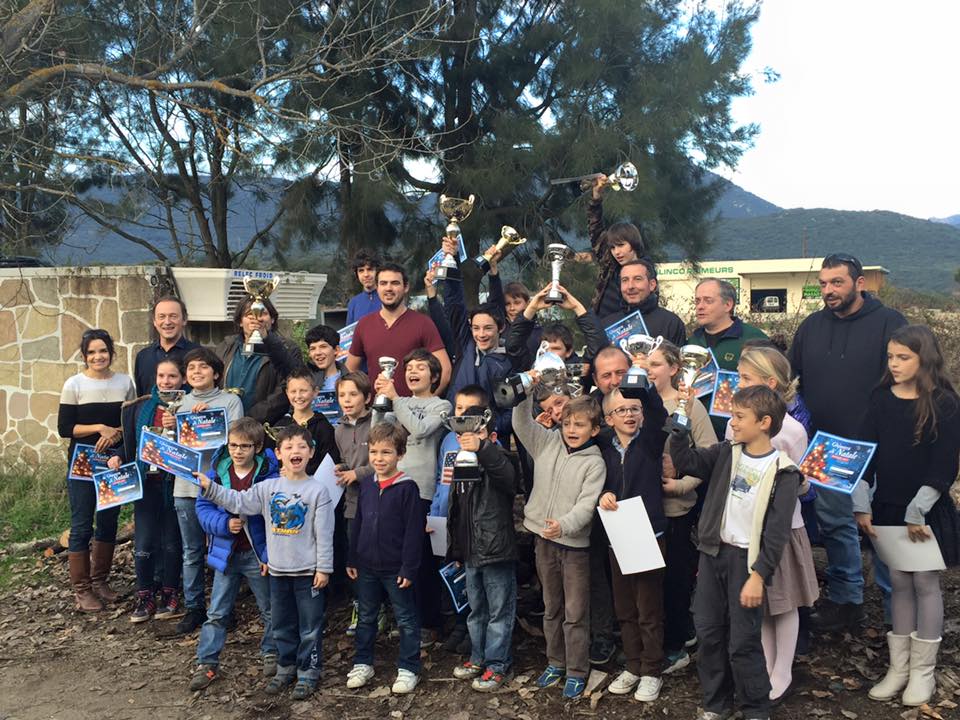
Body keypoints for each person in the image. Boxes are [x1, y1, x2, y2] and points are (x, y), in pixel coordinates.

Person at [789, 253, 907, 632]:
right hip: (826, 448)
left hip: (880, 448)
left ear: (859, 283)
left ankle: (898, 621)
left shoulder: (889, 322)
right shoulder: (811, 326)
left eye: (836, 283)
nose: (828, 291)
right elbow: (793, 380)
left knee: (884, 531)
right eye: (823, 284)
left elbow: (905, 378)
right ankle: (847, 602)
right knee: (837, 526)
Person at [669, 385, 801, 720]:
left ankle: (756, 707)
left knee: (743, 642)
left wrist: (759, 576)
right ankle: (717, 704)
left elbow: (777, 531)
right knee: (709, 632)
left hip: (747, 564)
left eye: (740, 416)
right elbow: (685, 460)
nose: (733, 422)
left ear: (764, 422)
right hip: (714, 555)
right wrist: (682, 416)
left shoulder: (783, 471)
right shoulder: (726, 452)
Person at [854, 325, 960, 707]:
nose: (894, 364)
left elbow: (945, 463)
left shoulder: (945, 402)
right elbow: (864, 453)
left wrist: (920, 509)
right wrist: (861, 503)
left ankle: (922, 673)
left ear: (924, 358)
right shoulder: (881, 397)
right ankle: (898, 669)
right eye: (890, 357)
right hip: (887, 508)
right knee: (898, 582)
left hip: (924, 512)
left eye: (903, 357)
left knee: (925, 585)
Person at [197, 424, 335, 701]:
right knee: (281, 623)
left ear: (311, 452)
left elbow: (325, 533)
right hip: (277, 571)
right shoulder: (267, 488)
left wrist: (324, 568)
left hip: (308, 572)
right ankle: (285, 668)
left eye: (301, 447)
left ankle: (308, 672)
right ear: (278, 454)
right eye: (289, 447)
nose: (295, 451)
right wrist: (210, 488)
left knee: (309, 627)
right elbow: (238, 501)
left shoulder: (318, 491)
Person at [730, 346, 819, 702]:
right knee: (762, 604)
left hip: (782, 531)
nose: (738, 383)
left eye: (746, 378)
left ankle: (783, 671)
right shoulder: (735, 421)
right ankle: (765, 667)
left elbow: (803, 482)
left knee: (784, 602)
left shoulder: (792, 430)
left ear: (770, 384)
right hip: (747, 528)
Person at [513, 392, 606, 699]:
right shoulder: (547, 443)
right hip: (543, 541)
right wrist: (525, 391)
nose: (571, 430)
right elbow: (520, 422)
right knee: (551, 606)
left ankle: (577, 669)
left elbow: (586, 504)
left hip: (574, 546)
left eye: (579, 424)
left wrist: (564, 524)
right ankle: (556, 661)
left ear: (594, 430)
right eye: (567, 423)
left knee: (575, 611)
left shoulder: (595, 463)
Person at [190, 418, 279, 691]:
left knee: (269, 608)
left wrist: (266, 551)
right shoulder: (216, 473)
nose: (238, 451)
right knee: (217, 611)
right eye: (233, 445)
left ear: (258, 447)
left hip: (256, 553)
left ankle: (271, 652)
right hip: (226, 553)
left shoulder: (268, 477)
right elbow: (203, 510)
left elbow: (275, 514)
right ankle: (207, 662)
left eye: (245, 446)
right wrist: (224, 525)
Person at [646, 342, 718, 671]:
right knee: (647, 582)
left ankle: (676, 647)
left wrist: (681, 485)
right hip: (641, 507)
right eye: (646, 363)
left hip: (675, 509)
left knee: (674, 580)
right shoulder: (637, 401)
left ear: (675, 369)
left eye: (657, 364)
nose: (649, 369)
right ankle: (651, 642)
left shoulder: (690, 405)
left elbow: (708, 454)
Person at [374, 349, 451, 644]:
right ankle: (406, 619)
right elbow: (377, 435)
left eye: (421, 367)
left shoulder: (441, 405)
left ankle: (430, 623)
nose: (413, 371)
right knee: (398, 557)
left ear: (433, 376)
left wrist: (393, 398)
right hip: (392, 487)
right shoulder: (398, 400)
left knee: (423, 558)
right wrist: (381, 405)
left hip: (423, 490)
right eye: (409, 367)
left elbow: (419, 430)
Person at [598, 388, 669, 703]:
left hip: (648, 535)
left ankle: (652, 670)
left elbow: (659, 413)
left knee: (648, 608)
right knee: (625, 607)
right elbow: (593, 476)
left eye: (634, 409)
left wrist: (639, 386)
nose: (629, 415)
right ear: (609, 419)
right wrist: (603, 494)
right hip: (617, 534)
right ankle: (633, 665)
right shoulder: (602, 445)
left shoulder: (651, 443)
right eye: (621, 410)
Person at [58, 328, 137, 612]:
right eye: (91, 352)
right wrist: (98, 428)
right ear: (84, 356)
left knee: (108, 521)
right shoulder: (74, 384)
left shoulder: (125, 383)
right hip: (82, 464)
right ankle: (82, 590)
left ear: (111, 353)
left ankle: (100, 580)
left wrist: (115, 431)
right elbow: (65, 428)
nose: (98, 356)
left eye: (103, 350)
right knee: (81, 524)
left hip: (113, 460)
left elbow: (131, 422)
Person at [170, 347, 245, 635]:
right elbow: (171, 449)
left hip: (220, 487)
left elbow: (237, 441)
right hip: (186, 487)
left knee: (222, 548)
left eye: (203, 367)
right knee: (191, 551)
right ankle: (194, 608)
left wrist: (211, 418)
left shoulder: (230, 401)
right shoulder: (179, 404)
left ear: (216, 372)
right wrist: (173, 425)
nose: (196, 372)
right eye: (191, 368)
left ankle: (223, 609)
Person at [346, 422, 424, 695]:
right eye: (375, 452)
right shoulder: (367, 485)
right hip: (366, 565)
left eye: (387, 453)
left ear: (400, 454)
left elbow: (415, 533)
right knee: (366, 617)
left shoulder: (407, 489)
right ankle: (363, 663)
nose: (379, 459)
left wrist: (408, 568)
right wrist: (352, 557)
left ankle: (409, 667)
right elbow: (358, 522)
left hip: (396, 568)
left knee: (405, 618)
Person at [447, 406, 518, 692]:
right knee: (476, 610)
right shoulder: (460, 461)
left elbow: (509, 480)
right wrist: (455, 549)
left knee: (500, 610)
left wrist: (483, 448)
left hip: (496, 547)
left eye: (476, 432)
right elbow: (456, 509)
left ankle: (498, 664)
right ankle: (478, 657)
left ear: (489, 434)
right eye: (464, 434)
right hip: (470, 550)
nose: (469, 439)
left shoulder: (498, 457)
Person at [109, 358, 186, 623]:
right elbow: (130, 441)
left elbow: (195, 444)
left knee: (172, 543)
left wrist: (178, 425)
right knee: (143, 543)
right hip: (145, 486)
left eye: (172, 377)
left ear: (182, 379)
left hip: (174, 485)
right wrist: (118, 456)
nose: (166, 381)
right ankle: (144, 595)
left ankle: (170, 593)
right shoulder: (140, 407)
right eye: (162, 376)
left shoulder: (186, 406)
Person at [430, 384, 492, 654]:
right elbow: (439, 481)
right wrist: (433, 513)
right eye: (458, 409)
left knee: (472, 580)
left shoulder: (487, 444)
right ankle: (457, 625)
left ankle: (473, 630)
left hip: (471, 525)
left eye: (469, 410)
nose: (462, 415)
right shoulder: (448, 441)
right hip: (443, 519)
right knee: (450, 575)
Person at [346, 262, 452, 397]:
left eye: (395, 283)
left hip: (412, 413)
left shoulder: (423, 323)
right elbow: (350, 370)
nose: (388, 288)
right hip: (376, 412)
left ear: (405, 287)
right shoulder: (364, 325)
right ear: (377, 287)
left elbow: (445, 370)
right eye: (383, 283)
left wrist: (425, 403)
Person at [689, 278, 767, 435]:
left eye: (708, 301)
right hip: (697, 432)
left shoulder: (753, 338)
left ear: (728, 305)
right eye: (697, 301)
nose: (700, 306)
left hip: (740, 432)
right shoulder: (692, 341)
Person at [333, 371, 377, 637]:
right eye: (341, 395)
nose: (346, 400)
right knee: (355, 556)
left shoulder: (377, 423)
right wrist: (342, 468)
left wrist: (357, 474)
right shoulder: (339, 429)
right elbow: (347, 460)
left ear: (367, 397)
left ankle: (381, 609)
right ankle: (361, 607)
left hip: (376, 501)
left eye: (353, 394)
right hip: (352, 504)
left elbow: (386, 462)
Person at [214, 295, 305, 424]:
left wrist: (250, 419)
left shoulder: (288, 349)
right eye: (249, 315)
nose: (256, 319)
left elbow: (288, 388)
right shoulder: (225, 347)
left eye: (263, 314)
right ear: (240, 321)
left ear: (272, 319)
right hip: (225, 423)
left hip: (265, 425)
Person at [584, 174, 649, 318]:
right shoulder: (610, 263)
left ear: (633, 243)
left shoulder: (646, 269)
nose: (616, 252)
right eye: (613, 247)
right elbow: (595, 229)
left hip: (629, 328)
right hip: (600, 326)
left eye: (621, 245)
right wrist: (596, 195)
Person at [506, 283, 606, 372]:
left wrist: (576, 307)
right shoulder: (532, 370)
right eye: (544, 349)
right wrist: (532, 308)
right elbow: (513, 346)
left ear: (568, 351)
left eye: (555, 349)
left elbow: (599, 349)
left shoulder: (575, 370)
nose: (549, 354)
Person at [599, 259, 687, 347]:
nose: (630, 286)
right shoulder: (608, 325)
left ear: (652, 285)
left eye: (637, 279)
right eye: (625, 280)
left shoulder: (671, 323)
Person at [269, 368, 340, 475]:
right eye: (293, 391)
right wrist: (280, 470)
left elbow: (330, 463)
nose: (298, 396)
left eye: (303, 391)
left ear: (315, 392)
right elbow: (271, 459)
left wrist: (302, 472)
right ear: (287, 393)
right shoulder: (280, 426)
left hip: (314, 486)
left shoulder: (323, 427)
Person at [133, 295, 199, 396]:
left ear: (184, 320)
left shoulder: (198, 355)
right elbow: (141, 397)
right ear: (154, 321)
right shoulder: (143, 357)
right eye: (161, 316)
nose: (167, 322)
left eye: (173, 316)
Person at [304, 323, 344, 395]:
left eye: (323, 346)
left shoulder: (352, 379)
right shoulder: (303, 379)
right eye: (312, 348)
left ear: (336, 350)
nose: (318, 352)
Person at [346, 249, 382, 325]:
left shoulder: (387, 298)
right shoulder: (353, 303)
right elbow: (350, 334)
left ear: (378, 271)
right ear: (357, 274)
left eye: (370, 269)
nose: (366, 275)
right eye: (361, 271)